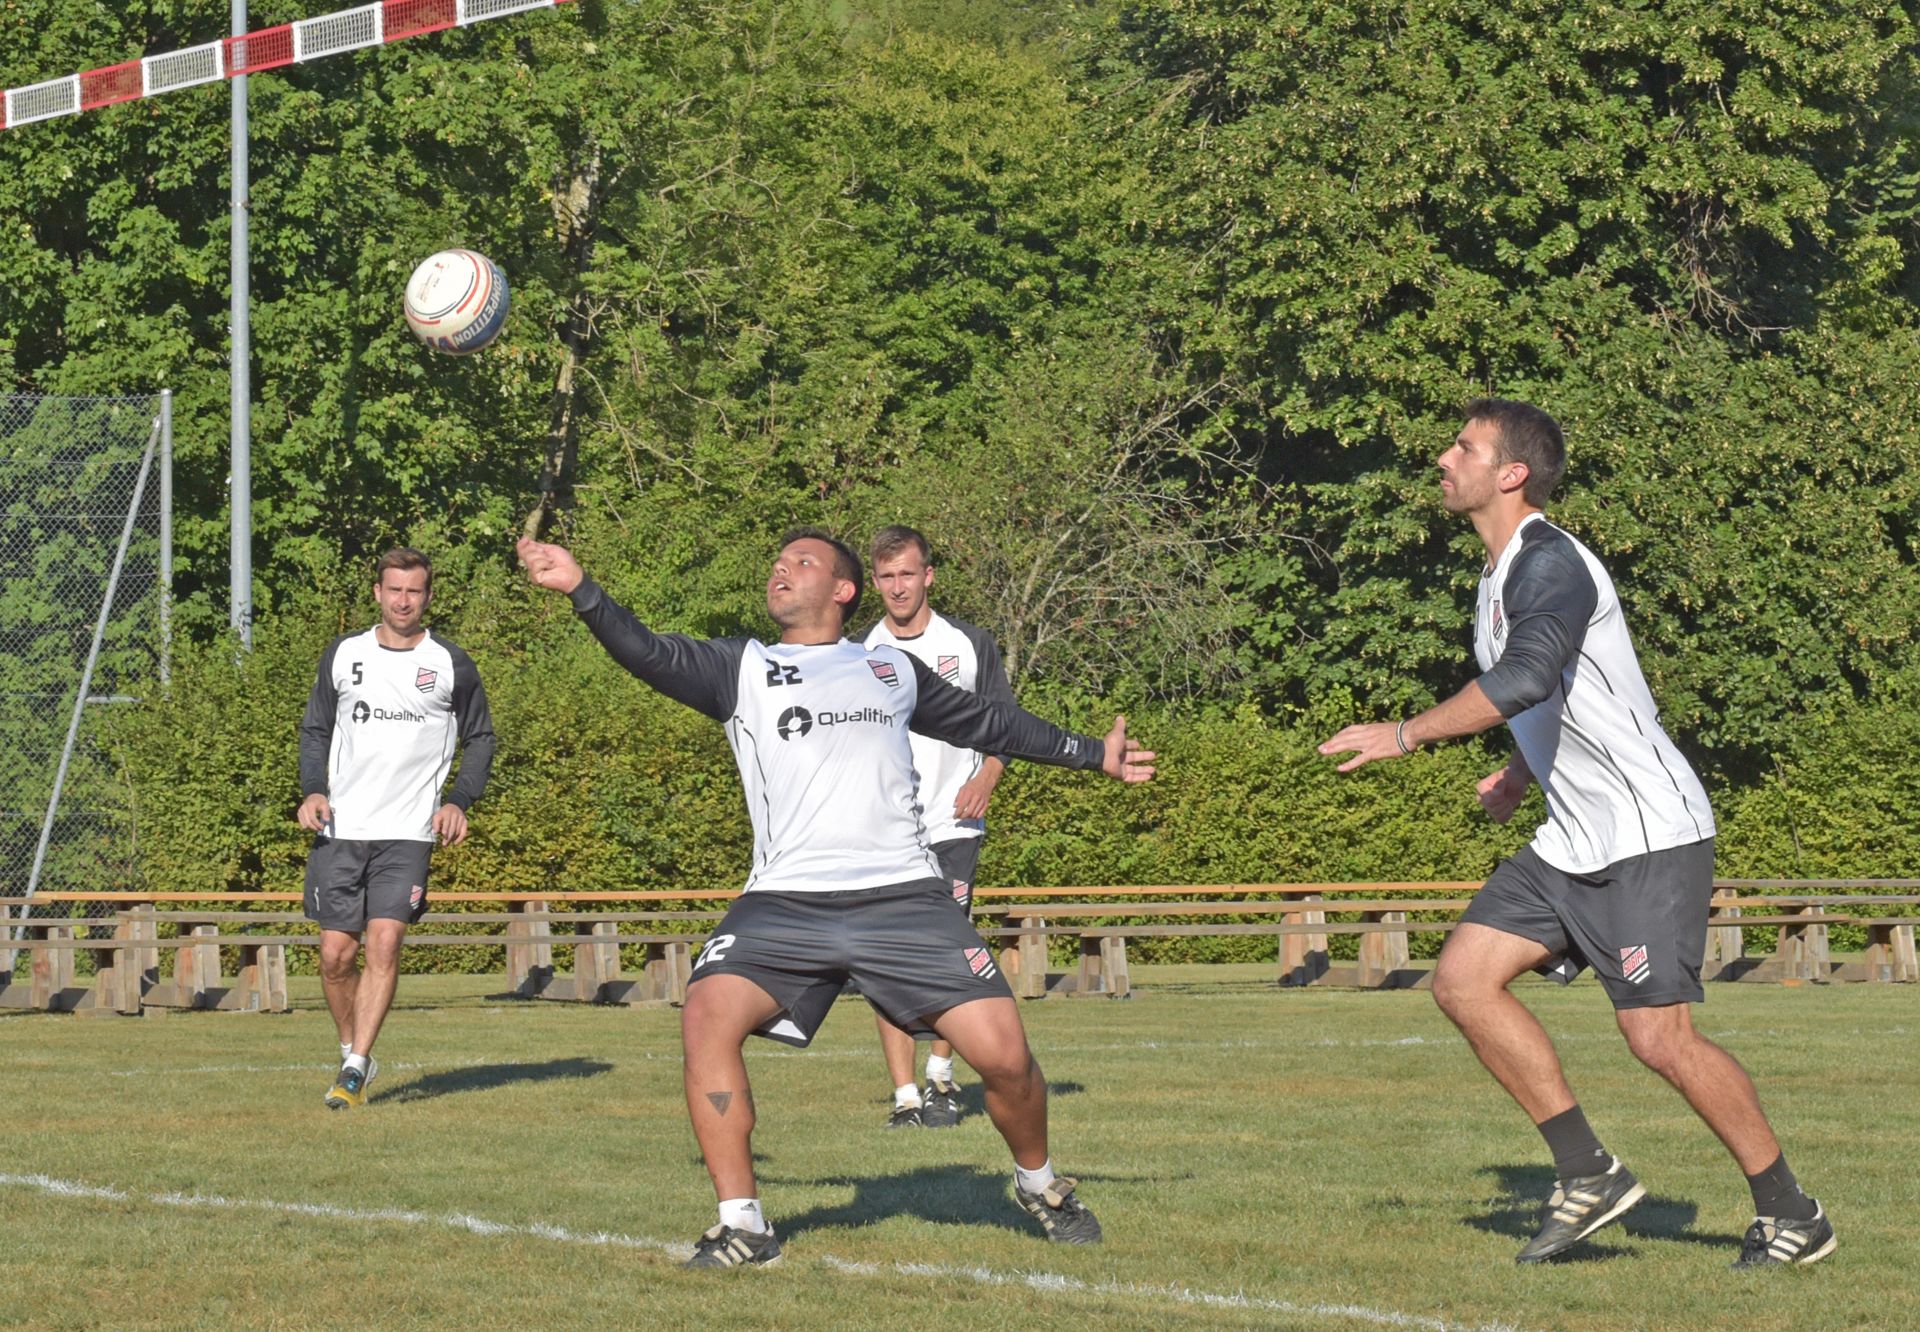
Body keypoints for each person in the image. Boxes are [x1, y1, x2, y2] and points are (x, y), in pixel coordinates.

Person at [517, 528, 1154, 1268]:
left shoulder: (891, 668)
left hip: (904, 898)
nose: (781, 571)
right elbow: (648, 651)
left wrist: (1091, 753)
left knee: (1006, 1061)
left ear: (844, 590)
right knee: (705, 1016)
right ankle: (744, 1226)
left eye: (802, 563)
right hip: (785, 900)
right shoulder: (742, 668)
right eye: (778, 562)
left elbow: (991, 722)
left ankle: (1041, 1185)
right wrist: (582, 591)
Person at [1319, 399, 1833, 1269]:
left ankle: (1793, 1213)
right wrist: (1524, 772)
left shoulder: (1550, 564)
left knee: (1658, 1040)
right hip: (1572, 836)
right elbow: (1573, 692)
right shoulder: (1497, 576)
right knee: (1462, 980)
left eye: (1463, 447)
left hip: (1646, 834)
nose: (1444, 459)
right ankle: (1587, 1170)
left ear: (1510, 473)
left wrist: (1402, 733)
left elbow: (1526, 676)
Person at [297, 547, 495, 1110]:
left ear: (428, 597)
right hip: (342, 828)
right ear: (378, 593)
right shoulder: (344, 655)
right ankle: (349, 1046)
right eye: (394, 590)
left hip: (408, 832)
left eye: (415, 591)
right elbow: (315, 729)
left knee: (385, 940)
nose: (404, 600)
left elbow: (481, 738)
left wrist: (459, 799)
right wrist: (313, 789)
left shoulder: (450, 663)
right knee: (336, 954)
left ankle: (356, 1069)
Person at [860, 525, 1015, 1130]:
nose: (898, 587)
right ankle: (904, 1097)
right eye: (886, 576)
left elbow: (1005, 727)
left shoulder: (970, 644)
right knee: (883, 955)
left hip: (954, 826)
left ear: (929, 576)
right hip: (886, 831)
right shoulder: (860, 651)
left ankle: (941, 1080)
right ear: (873, 583)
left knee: (951, 948)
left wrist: (987, 778)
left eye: (907, 574)